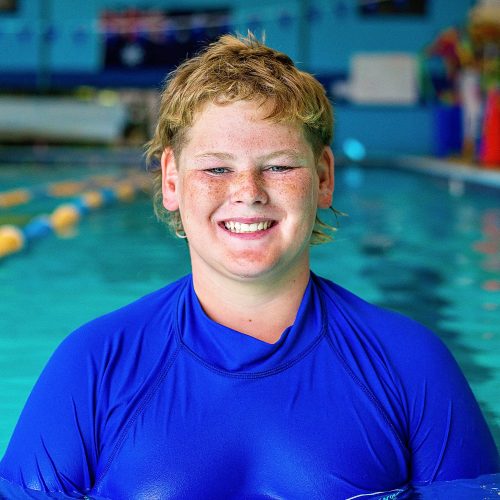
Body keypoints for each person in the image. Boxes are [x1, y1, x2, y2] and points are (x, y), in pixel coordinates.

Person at [0, 33, 498, 499]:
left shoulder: (410, 364)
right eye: (217, 168)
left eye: (279, 166)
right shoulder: (94, 364)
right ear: (172, 180)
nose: (248, 193)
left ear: (323, 178)